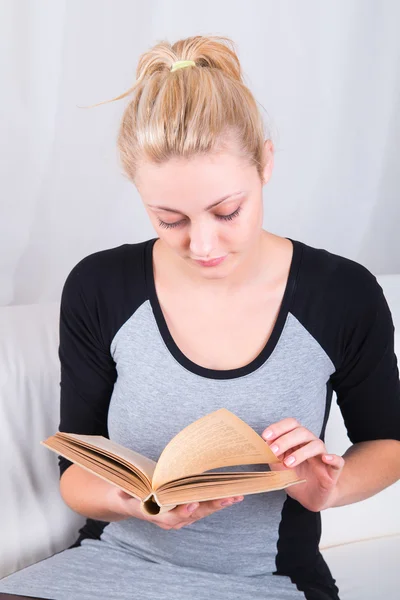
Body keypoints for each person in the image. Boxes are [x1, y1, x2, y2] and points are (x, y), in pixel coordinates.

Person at [1, 34, 399, 600]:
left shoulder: (342, 294)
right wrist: (136, 502)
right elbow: (76, 470)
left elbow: (388, 442)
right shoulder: (99, 286)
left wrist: (326, 491)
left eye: (227, 211)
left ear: (265, 161)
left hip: (268, 582)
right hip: (107, 566)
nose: (203, 245)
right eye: (170, 219)